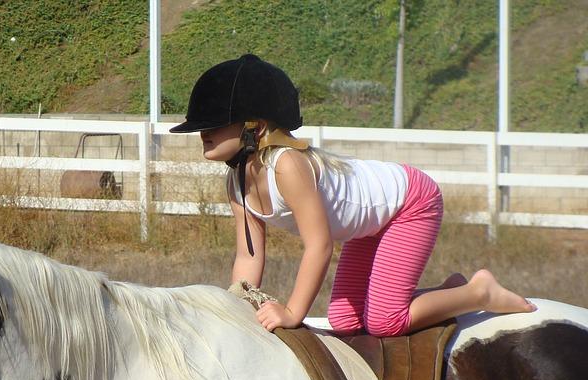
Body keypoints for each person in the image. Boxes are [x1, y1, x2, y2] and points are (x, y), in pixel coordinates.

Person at [170, 54, 536, 336]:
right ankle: (448, 293)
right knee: (345, 320)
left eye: (213, 125)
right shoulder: (236, 182)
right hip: (367, 224)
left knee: (385, 321)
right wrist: (236, 307)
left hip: (410, 203)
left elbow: (319, 246)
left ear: (257, 127)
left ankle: (479, 292)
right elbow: (249, 255)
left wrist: (293, 313)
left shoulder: (288, 166)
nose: (203, 133)